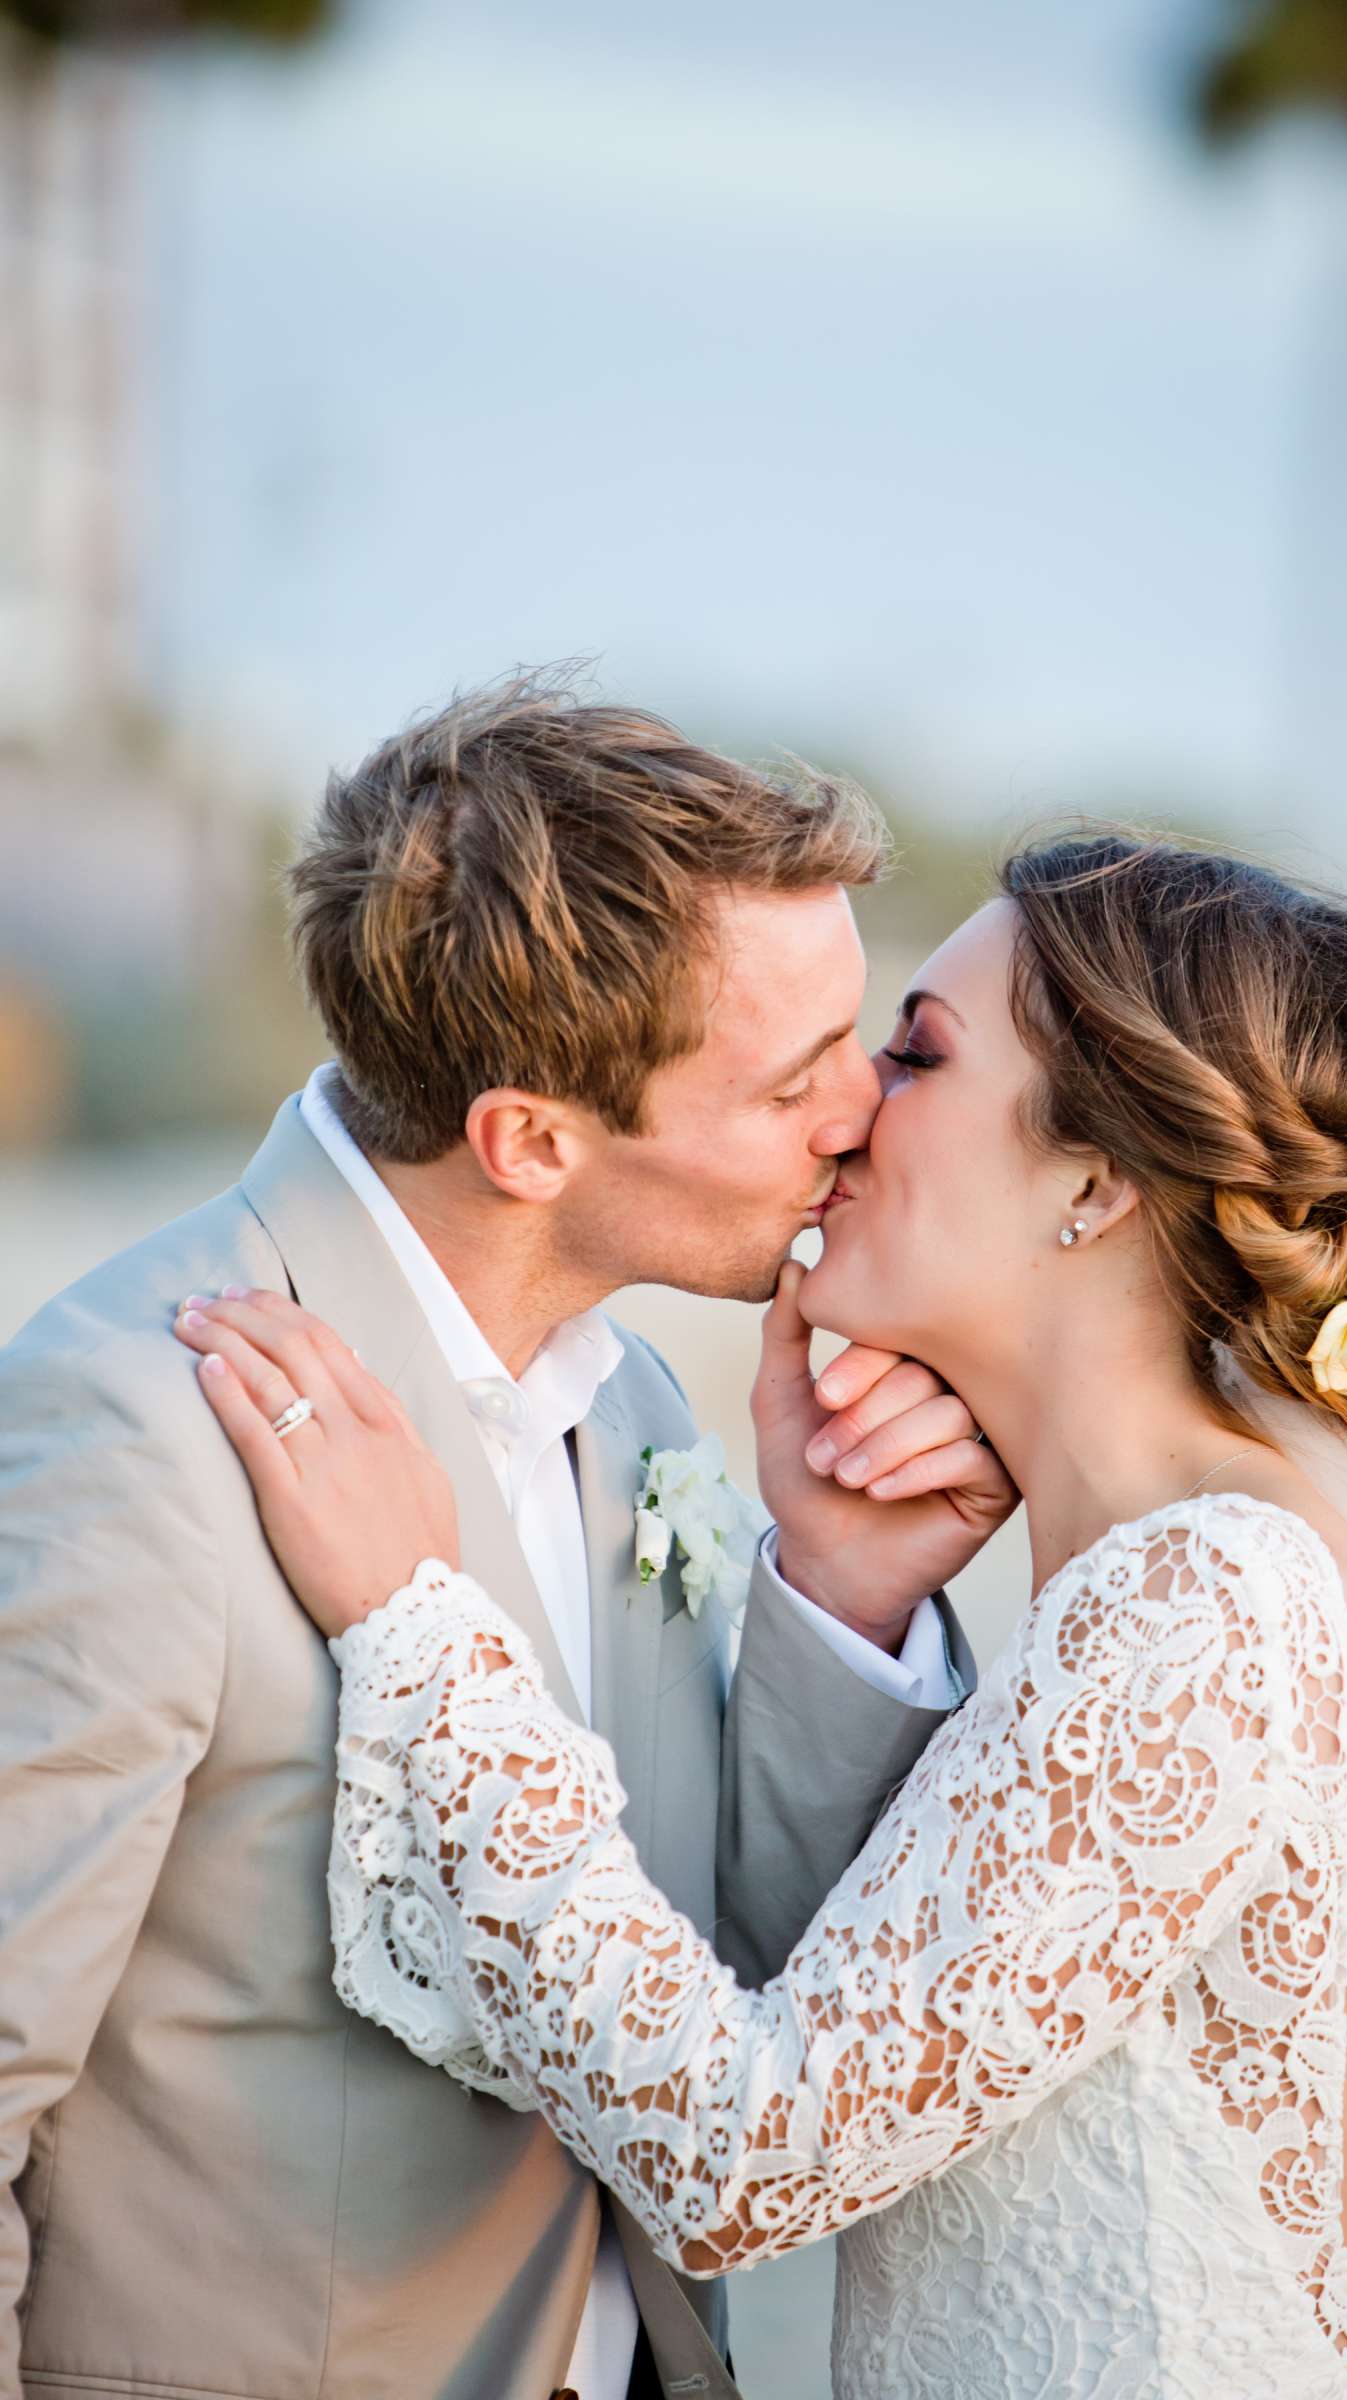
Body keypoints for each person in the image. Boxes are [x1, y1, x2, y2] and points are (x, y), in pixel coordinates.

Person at [185, 835, 1347, 2400]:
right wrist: (846, 1590)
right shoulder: (1226, 1566)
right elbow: (884, 2031)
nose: (847, 1105)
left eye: (917, 1053)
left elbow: (745, 2158)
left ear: (1098, 1179)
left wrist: (422, 1627)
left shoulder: (1215, 1603)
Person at [0, 675, 1019, 2400]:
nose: (864, 1113)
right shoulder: (139, 1429)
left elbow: (684, 1977)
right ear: (531, 1140)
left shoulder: (639, 1412)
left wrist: (838, 1601)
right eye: (794, 1083)